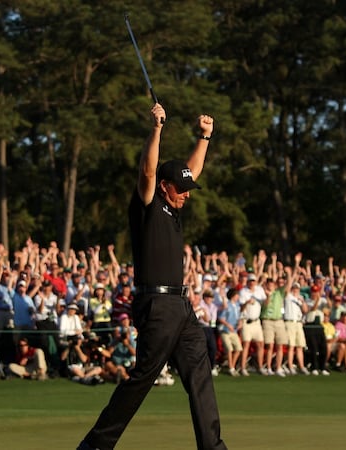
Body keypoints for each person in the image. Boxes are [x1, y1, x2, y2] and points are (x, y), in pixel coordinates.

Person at [79, 104, 225, 450]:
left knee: (200, 375)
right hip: (156, 304)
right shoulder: (147, 203)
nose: (187, 194)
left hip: (180, 304)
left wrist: (205, 136)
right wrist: (156, 129)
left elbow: (192, 170)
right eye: (180, 189)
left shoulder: (175, 203)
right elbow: (147, 172)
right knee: (143, 378)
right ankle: (96, 445)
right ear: (164, 187)